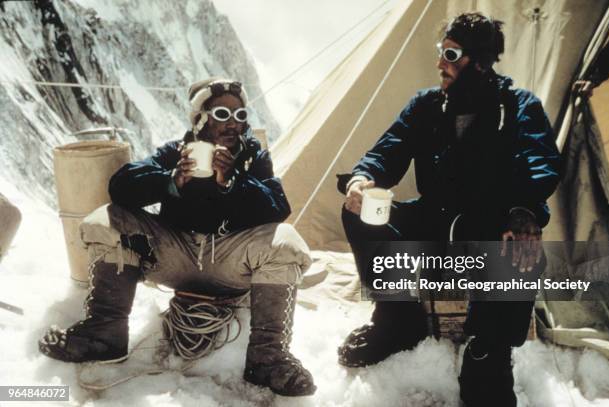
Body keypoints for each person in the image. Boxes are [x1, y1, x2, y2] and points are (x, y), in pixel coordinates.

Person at [39, 78, 316, 397]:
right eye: (222, 114)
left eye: (240, 116)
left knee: (286, 241)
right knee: (108, 219)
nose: (233, 123)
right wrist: (171, 181)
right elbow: (121, 186)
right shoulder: (177, 152)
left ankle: (267, 359)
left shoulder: (252, 157)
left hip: (229, 260)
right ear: (200, 118)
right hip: (174, 255)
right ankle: (104, 335)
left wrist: (233, 182)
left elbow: (278, 207)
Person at [338, 13, 560, 406]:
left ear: (481, 62)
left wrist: (523, 210)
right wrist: (362, 179)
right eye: (441, 52)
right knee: (359, 213)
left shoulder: (519, 106)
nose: (441, 63)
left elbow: (540, 164)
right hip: (434, 218)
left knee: (519, 247)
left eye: (451, 54)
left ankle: (487, 353)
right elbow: (386, 152)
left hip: (489, 222)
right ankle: (396, 320)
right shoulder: (426, 105)